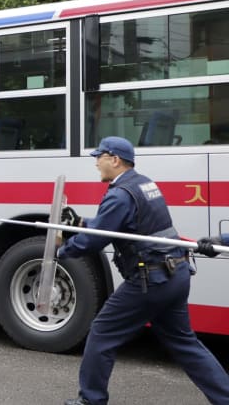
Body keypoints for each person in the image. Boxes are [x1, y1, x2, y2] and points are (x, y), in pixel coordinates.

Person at [56, 136, 229, 405]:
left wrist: (62, 251)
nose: (96, 163)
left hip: (152, 280)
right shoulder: (144, 184)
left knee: (101, 333)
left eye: (99, 157)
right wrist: (78, 222)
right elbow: (116, 224)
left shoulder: (119, 194)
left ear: (114, 160)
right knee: (186, 344)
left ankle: (90, 401)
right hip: (176, 274)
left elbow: (95, 239)